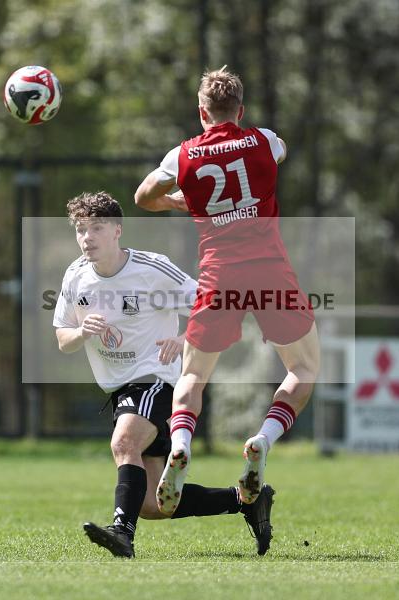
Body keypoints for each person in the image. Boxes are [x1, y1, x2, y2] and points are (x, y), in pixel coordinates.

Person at [134, 67, 320, 517]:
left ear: (201, 112)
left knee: (193, 378)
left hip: (219, 276)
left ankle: (180, 444)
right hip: (271, 272)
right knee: (304, 369)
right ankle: (263, 439)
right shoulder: (264, 140)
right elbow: (279, 152)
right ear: (241, 110)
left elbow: (143, 197)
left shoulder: (182, 157)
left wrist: (177, 200)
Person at [53, 191, 276, 558]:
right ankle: (246, 501)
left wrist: (184, 337)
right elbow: (63, 338)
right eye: (81, 229)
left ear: (117, 231)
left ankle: (122, 533)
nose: (87, 237)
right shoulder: (76, 276)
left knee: (124, 443)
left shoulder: (152, 269)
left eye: (96, 227)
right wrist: (81, 333)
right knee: (154, 504)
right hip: (120, 387)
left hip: (157, 378)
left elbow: (215, 304)